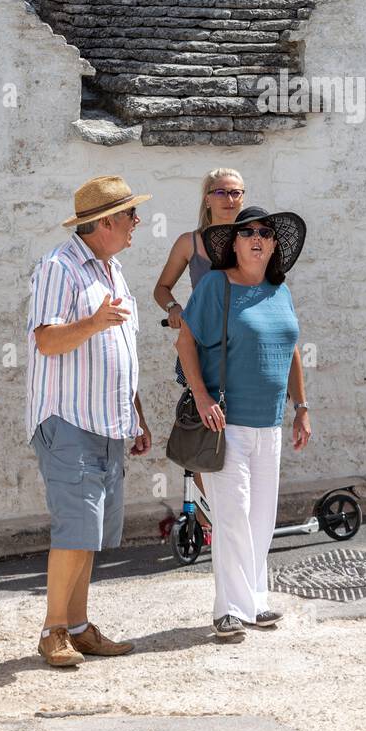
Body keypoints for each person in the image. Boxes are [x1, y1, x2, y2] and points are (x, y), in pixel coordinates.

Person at [27, 175, 153, 668]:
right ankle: (52, 630)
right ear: (105, 223)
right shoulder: (58, 268)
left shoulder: (112, 270)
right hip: (69, 420)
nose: (137, 222)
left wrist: (136, 415)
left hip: (107, 422)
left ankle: (78, 628)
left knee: (91, 533)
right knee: (75, 531)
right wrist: (93, 322)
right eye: (130, 214)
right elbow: (47, 340)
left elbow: (121, 348)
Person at [176, 205, 311, 640]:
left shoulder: (279, 291)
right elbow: (185, 342)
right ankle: (228, 609)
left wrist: (301, 407)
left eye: (265, 233)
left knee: (261, 518)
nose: (257, 238)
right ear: (233, 244)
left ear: (274, 246)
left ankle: (255, 600)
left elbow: (292, 350)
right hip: (226, 423)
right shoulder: (216, 285)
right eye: (248, 232)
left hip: (270, 423)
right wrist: (201, 396)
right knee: (233, 516)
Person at [153, 168, 246, 530]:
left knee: (242, 431)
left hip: (242, 349)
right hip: (203, 349)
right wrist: (174, 308)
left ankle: (235, 518)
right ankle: (212, 521)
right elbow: (162, 288)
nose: (229, 199)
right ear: (207, 198)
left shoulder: (252, 238)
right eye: (221, 192)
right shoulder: (189, 243)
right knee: (207, 429)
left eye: (236, 193)